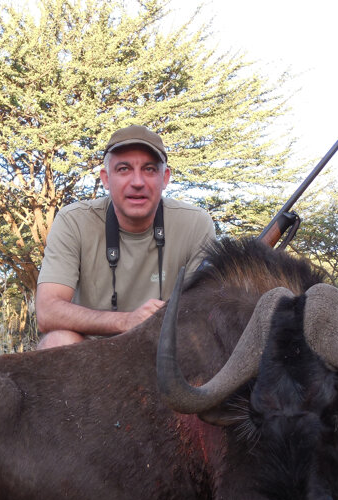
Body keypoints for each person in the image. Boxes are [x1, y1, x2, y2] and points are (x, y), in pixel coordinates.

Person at [36, 125, 216, 349]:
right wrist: (126, 321)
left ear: (165, 178)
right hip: (92, 357)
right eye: (124, 169)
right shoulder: (73, 221)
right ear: (106, 178)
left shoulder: (196, 223)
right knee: (58, 341)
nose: (138, 182)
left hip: (164, 353)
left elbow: (203, 312)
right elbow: (47, 311)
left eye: (149, 169)